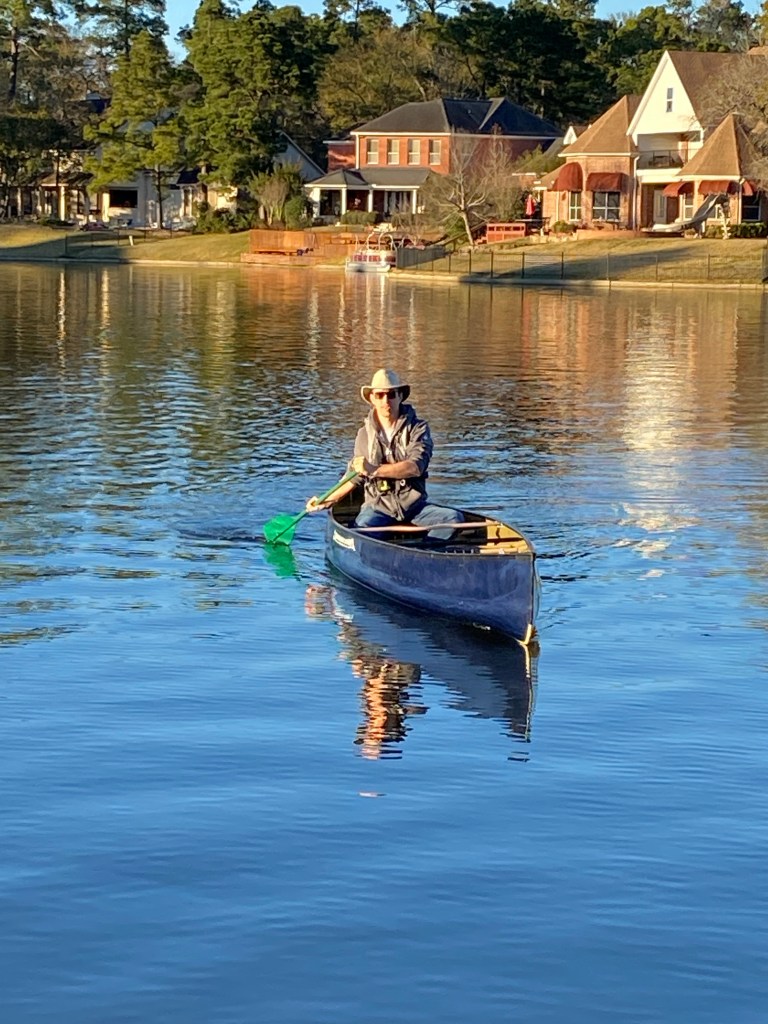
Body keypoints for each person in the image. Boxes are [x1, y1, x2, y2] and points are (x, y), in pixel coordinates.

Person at [305, 368, 463, 540]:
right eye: (380, 395)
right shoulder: (364, 435)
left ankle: (427, 549)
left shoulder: (418, 429)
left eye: (391, 395)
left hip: (414, 508)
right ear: (372, 399)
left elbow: (415, 467)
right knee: (361, 532)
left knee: (454, 519)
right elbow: (354, 477)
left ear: (400, 396)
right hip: (377, 509)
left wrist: (373, 469)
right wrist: (326, 500)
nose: (385, 401)